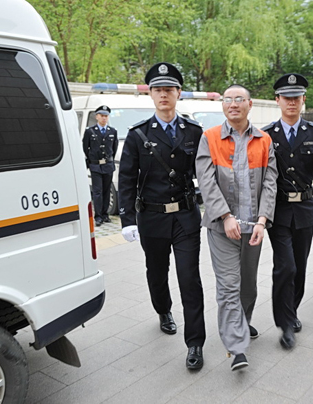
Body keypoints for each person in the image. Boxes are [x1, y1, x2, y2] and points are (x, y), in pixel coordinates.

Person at [118, 62, 206, 370]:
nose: (163, 94)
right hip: (152, 219)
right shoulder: (138, 134)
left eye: (169, 89)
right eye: (158, 90)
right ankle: (163, 310)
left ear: (179, 93)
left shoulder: (193, 132)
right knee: (157, 273)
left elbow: (205, 174)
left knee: (189, 278)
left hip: (185, 218)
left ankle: (195, 342)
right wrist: (127, 220)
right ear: (151, 94)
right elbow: (126, 179)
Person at [196, 84, 277, 371]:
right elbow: (206, 182)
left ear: (249, 104)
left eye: (239, 99)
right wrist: (225, 216)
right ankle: (237, 347)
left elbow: (270, 183)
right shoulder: (209, 138)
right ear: (223, 105)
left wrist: (262, 221)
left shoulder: (264, 140)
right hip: (222, 228)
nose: (233, 104)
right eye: (228, 99)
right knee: (229, 285)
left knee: (248, 286)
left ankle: (241, 323)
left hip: (253, 228)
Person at [262, 73, 313, 350]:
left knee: (299, 267)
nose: (292, 102)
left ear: (303, 100)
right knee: (285, 266)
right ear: (278, 100)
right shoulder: (266, 135)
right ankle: (285, 323)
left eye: (296, 97)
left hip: (306, 209)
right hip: (278, 210)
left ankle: (292, 310)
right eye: (286, 98)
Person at [82, 105, 118, 226]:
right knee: (97, 191)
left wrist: (108, 160)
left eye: (106, 116)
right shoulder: (90, 131)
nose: (104, 118)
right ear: (97, 117)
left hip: (108, 165)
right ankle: (98, 216)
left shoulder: (112, 131)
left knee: (107, 190)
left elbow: (114, 148)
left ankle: (105, 214)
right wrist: (92, 160)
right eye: (102, 116)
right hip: (95, 166)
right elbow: (85, 148)